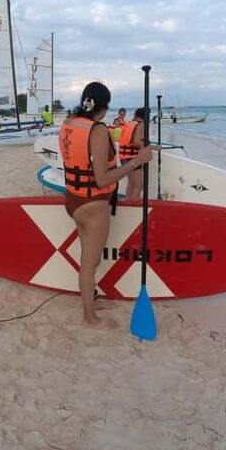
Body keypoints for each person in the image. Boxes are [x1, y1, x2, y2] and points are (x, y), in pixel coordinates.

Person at [60, 83, 157, 330]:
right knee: (90, 264)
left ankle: (91, 301)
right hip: (93, 204)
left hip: (74, 199)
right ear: (103, 108)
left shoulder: (70, 122)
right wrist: (137, 161)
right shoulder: (98, 130)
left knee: (88, 261)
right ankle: (89, 319)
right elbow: (103, 178)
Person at [118, 108, 146, 199]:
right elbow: (136, 142)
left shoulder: (129, 123)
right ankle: (133, 205)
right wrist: (146, 144)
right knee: (138, 186)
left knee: (131, 183)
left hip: (123, 157)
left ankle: (127, 202)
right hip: (132, 157)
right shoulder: (141, 125)